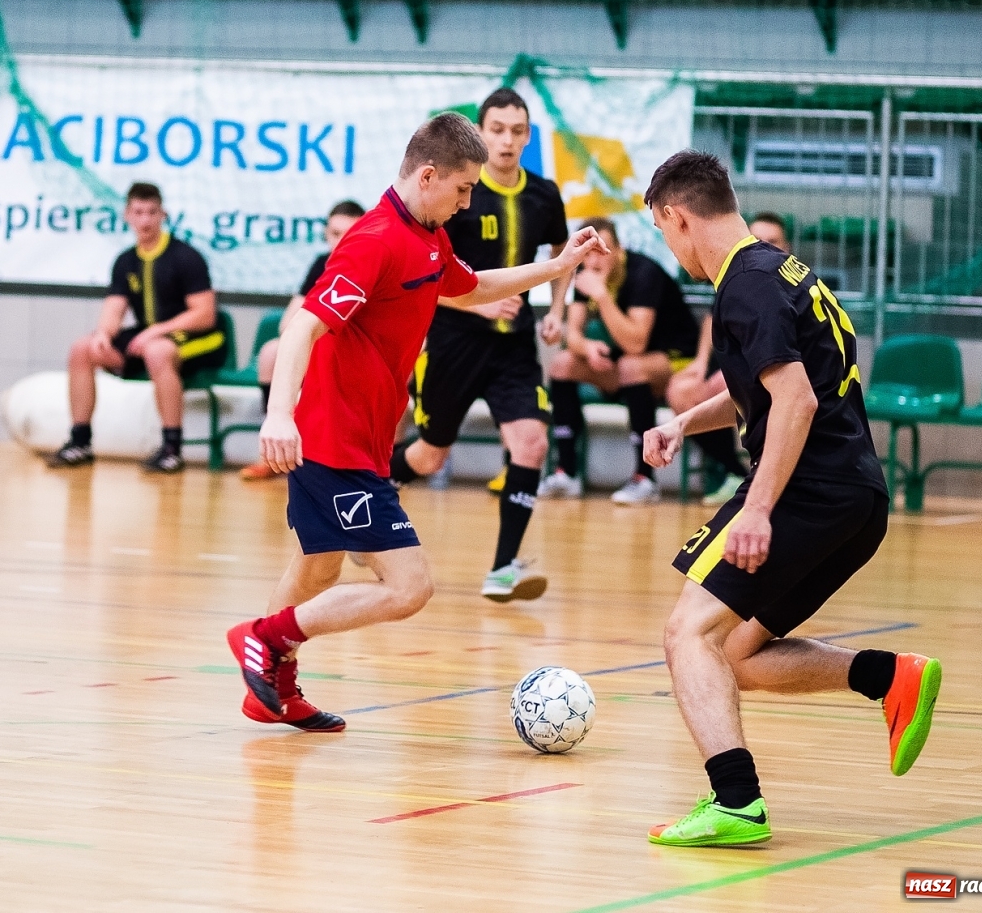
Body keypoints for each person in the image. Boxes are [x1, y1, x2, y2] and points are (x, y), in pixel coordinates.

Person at [224, 112, 605, 732]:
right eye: (461, 189)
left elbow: (471, 286)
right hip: (332, 437)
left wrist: (558, 267)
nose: (468, 202)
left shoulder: (427, 235)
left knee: (317, 565)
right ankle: (262, 638)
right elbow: (303, 328)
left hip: (367, 438)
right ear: (428, 175)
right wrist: (278, 416)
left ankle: (271, 684)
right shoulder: (375, 241)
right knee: (408, 588)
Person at [640, 150, 939, 848]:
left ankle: (736, 803)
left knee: (687, 632)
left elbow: (796, 402)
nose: (670, 244)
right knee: (735, 652)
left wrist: (757, 508)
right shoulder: (781, 270)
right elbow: (770, 390)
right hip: (854, 495)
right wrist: (684, 421)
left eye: (663, 231)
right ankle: (888, 678)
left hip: (809, 488)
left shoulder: (743, 285)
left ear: (675, 216)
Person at [385, 89, 571, 602]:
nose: (507, 140)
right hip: (453, 344)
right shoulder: (458, 194)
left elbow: (560, 250)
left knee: (531, 443)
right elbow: (421, 274)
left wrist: (555, 310)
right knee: (429, 456)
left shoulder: (544, 195)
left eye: (517, 131)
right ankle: (371, 498)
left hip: (513, 349)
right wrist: (476, 302)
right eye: (497, 129)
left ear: (528, 137)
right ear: (482, 132)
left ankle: (503, 568)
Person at [49, 183, 228, 474]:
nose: (145, 220)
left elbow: (205, 315)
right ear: (127, 216)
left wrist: (155, 332)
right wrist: (104, 334)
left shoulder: (186, 257)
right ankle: (79, 441)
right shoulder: (125, 261)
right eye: (138, 212)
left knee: (157, 351)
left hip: (202, 339)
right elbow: (114, 308)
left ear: (163, 215)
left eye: (151, 213)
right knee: (83, 348)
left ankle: (171, 449)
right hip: (150, 336)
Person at [542, 217, 700, 505]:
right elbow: (572, 336)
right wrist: (587, 347)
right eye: (587, 252)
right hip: (629, 364)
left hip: (678, 359)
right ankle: (567, 472)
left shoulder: (643, 273)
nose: (594, 259)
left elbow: (636, 343)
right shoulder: (586, 273)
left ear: (619, 250)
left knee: (630, 366)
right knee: (562, 364)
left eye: (602, 250)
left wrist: (602, 296)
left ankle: (645, 479)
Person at [668, 212, 792, 506]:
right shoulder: (739, 276)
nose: (765, 247)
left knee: (716, 389)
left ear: (786, 246)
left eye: (772, 241)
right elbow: (711, 319)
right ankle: (728, 469)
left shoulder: (788, 283)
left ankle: (746, 474)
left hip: (764, 368)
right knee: (679, 389)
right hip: (729, 362)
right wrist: (699, 362)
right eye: (758, 240)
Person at [239, 200, 365, 481]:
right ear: (325, 233)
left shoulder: (369, 264)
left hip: (358, 355)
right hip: (323, 347)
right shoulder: (321, 264)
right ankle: (274, 446)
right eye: (335, 233)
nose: (340, 241)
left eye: (349, 233)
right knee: (272, 352)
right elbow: (289, 323)